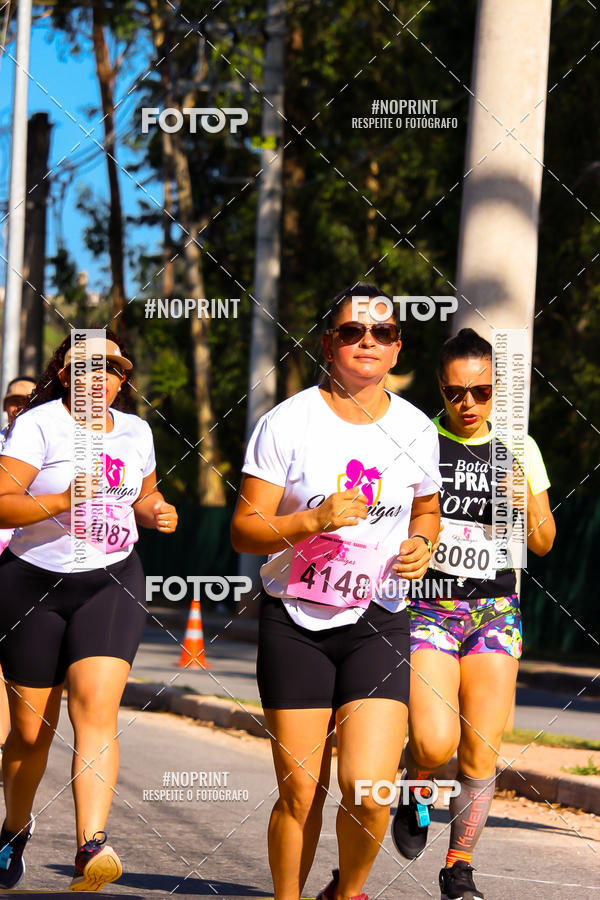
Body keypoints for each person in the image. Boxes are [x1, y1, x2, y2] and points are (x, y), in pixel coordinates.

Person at [231, 283, 441, 900]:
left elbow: (425, 511)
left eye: (381, 334)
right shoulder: (287, 422)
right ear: (330, 343)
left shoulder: (415, 428)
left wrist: (422, 545)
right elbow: (244, 530)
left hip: (378, 618)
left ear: (397, 348)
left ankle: (347, 892)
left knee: (370, 788)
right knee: (301, 790)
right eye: (352, 331)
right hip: (296, 619)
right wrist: (312, 520)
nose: (366, 342)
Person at [0, 331, 178, 892]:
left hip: (111, 580)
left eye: (111, 369)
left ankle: (91, 846)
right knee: (30, 733)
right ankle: (12, 830)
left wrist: (156, 510)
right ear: (64, 376)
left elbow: (144, 495)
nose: (99, 378)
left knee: (96, 709)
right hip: (33, 583)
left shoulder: (136, 431)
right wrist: (60, 500)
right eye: (85, 368)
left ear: (123, 379)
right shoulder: (39, 425)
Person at [391, 328, 556, 900]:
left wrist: (520, 497)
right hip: (430, 608)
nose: (468, 404)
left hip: (494, 609)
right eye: (456, 392)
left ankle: (458, 869)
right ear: (441, 388)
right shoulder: (417, 441)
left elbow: (543, 542)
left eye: (481, 392)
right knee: (435, 746)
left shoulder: (518, 448)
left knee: (481, 751)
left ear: (496, 390)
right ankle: (415, 787)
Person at [0, 377, 37, 753]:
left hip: (34, 563)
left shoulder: (49, 440)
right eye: (13, 400)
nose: (19, 406)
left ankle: (18, 738)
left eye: (27, 400)